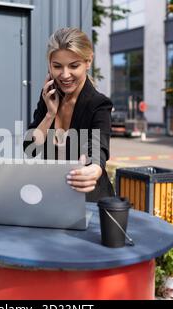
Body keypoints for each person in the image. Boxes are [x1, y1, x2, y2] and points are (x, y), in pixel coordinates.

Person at [23, 27, 115, 202]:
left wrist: (94, 170)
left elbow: (98, 149)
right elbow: (29, 149)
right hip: (54, 196)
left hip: (90, 201)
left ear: (88, 61)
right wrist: (50, 114)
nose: (65, 75)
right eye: (57, 66)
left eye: (74, 66)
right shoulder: (48, 97)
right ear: (49, 65)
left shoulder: (99, 104)